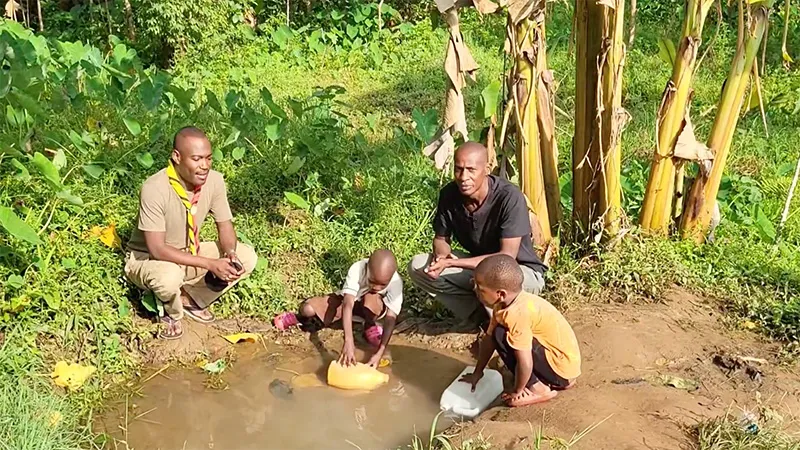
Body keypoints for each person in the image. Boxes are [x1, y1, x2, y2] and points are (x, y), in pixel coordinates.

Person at [125, 127, 257, 340]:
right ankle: (170, 312)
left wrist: (230, 253)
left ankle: (189, 299)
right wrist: (209, 264)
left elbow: (225, 226)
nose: (204, 166)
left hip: (189, 253)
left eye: (208, 158)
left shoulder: (214, 181)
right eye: (196, 159)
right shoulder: (154, 188)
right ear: (177, 157)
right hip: (149, 260)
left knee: (247, 257)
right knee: (169, 277)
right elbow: (157, 249)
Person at [408, 141, 547, 326]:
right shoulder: (449, 195)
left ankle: (503, 325)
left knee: (493, 278)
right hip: (478, 270)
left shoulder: (509, 197)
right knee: (418, 266)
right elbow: (441, 238)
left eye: (471, 170)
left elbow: (506, 258)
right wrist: (440, 257)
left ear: (487, 168)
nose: (463, 177)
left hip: (520, 273)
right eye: (458, 169)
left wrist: (452, 262)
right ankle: (478, 316)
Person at [460, 254, 581, 407]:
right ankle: (534, 381)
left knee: (503, 335)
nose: (475, 290)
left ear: (500, 293)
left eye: (480, 288)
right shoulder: (504, 304)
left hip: (561, 372)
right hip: (561, 364)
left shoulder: (517, 314)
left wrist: (517, 391)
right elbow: (488, 340)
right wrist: (478, 372)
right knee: (497, 334)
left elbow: (525, 362)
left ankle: (539, 389)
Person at [273, 249, 402, 368]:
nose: (377, 287)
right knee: (308, 310)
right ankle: (298, 318)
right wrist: (348, 341)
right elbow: (347, 304)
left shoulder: (396, 282)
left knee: (372, 297)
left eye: (383, 285)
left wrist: (380, 352)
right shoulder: (358, 269)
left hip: (371, 306)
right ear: (367, 268)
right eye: (372, 281)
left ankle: (369, 325)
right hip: (348, 301)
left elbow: (390, 318)